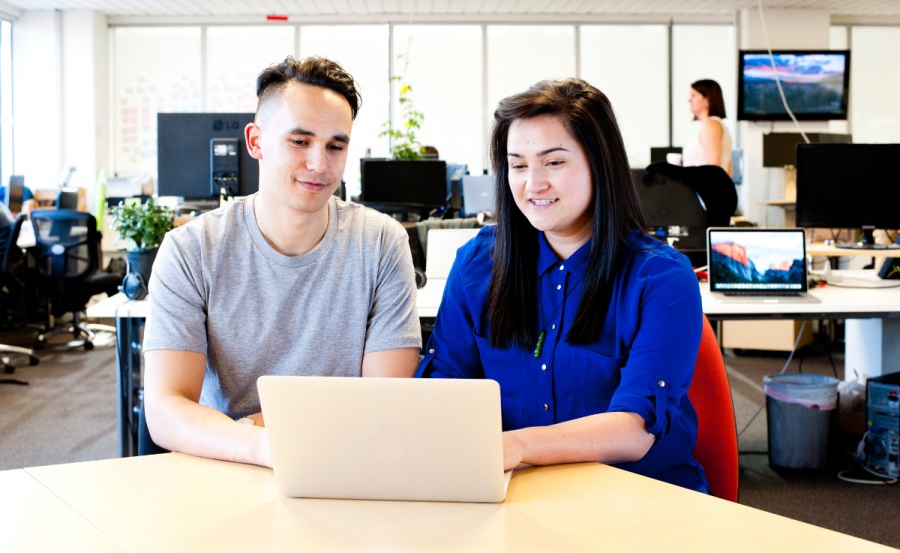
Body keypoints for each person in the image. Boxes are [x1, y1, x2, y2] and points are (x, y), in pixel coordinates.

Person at [416, 78, 708, 492]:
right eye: (517, 165)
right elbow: (445, 381)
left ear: (599, 164)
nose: (533, 184)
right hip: (513, 493)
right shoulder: (478, 264)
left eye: (553, 162)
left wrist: (516, 446)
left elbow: (634, 429)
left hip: (637, 497)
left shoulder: (660, 277)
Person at [142, 56, 422, 467]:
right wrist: (266, 445)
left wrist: (254, 426)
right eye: (299, 141)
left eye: (335, 146)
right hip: (230, 463)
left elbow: (383, 401)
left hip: (348, 462)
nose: (319, 164)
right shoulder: (191, 249)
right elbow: (166, 411)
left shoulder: (381, 242)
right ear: (255, 141)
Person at [684, 79, 733, 177]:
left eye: (694, 95)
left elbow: (713, 171)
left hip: (705, 191)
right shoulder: (717, 125)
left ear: (707, 99)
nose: (689, 100)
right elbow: (729, 171)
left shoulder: (711, 127)